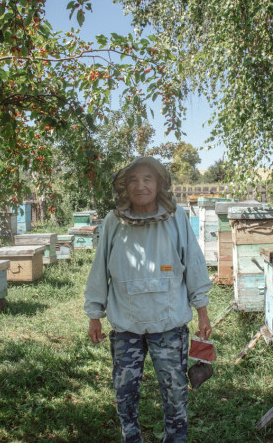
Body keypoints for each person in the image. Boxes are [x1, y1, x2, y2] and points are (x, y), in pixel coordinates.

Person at [84, 156, 212, 443]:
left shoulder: (177, 218)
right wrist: (94, 315)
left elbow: (193, 264)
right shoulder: (114, 222)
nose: (140, 185)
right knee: (125, 393)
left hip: (169, 326)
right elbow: (99, 269)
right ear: (124, 186)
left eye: (147, 179)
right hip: (126, 327)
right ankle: (131, 438)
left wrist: (202, 312)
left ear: (159, 184)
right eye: (133, 180)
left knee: (175, 393)